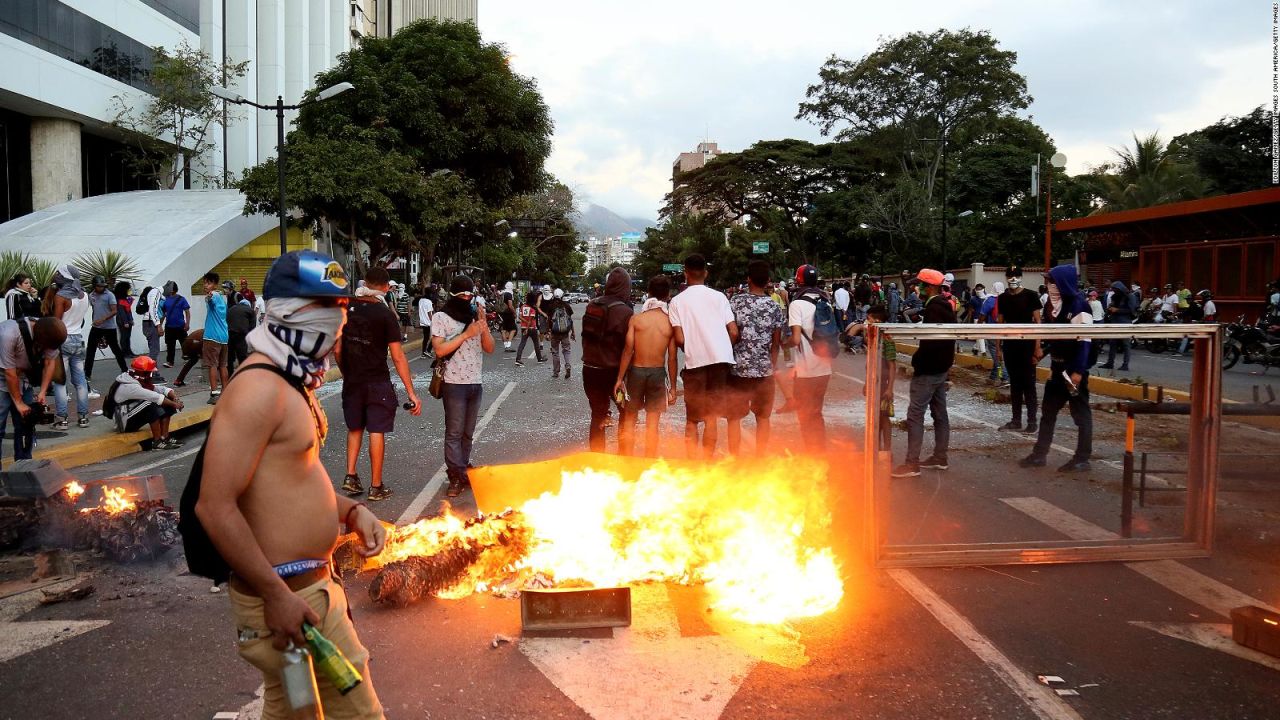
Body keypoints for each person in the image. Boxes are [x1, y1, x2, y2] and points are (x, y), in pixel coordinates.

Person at [195, 249, 386, 719]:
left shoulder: (292, 381)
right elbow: (214, 507)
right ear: (285, 310)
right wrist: (276, 597)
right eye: (326, 307)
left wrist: (350, 511)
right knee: (358, 713)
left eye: (342, 307)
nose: (338, 319)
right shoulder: (258, 388)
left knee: (293, 711)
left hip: (310, 591)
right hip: (286, 599)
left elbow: (294, 477)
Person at [337, 268, 422, 503]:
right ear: (385, 287)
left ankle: (351, 476)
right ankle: (376, 486)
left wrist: (347, 372)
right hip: (377, 381)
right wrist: (411, 393)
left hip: (353, 381)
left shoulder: (345, 307)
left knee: (355, 427)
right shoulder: (385, 315)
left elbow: (336, 349)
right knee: (376, 430)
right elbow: (397, 356)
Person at [1019, 264, 1095, 473]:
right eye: (1047, 282)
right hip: (1057, 368)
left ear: (1062, 283)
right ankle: (1039, 454)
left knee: (1080, 415)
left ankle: (1082, 459)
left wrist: (1078, 372)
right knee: (1048, 412)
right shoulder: (1051, 307)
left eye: (1051, 281)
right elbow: (1056, 336)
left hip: (1072, 372)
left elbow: (1085, 342)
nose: (1048, 286)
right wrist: (1043, 350)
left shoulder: (1080, 306)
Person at [669, 254, 738, 458]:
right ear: (706, 273)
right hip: (721, 363)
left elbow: (679, 338)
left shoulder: (677, 302)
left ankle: (692, 464)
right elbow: (733, 331)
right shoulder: (720, 297)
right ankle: (707, 463)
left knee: (692, 419)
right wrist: (722, 347)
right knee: (712, 417)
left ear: (685, 273)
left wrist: (694, 347)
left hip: (696, 365)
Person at [431, 275, 494, 498]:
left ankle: (463, 468)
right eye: (462, 295)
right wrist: (467, 334)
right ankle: (455, 476)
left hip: (475, 382)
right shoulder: (441, 317)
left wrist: (483, 326)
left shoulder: (474, 316)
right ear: (452, 294)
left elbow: (489, 348)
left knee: (468, 433)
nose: (466, 298)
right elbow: (439, 350)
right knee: (454, 432)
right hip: (454, 383)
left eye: (469, 295)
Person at [891, 268, 956, 478]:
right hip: (941, 369)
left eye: (919, 285)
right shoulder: (945, 305)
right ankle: (940, 457)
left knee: (915, 415)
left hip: (928, 370)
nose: (916, 288)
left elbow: (931, 343)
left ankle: (912, 464)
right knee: (940, 414)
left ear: (929, 287)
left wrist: (917, 362)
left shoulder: (934, 308)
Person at [613, 275, 677, 457]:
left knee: (630, 419)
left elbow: (627, 351)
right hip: (657, 373)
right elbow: (672, 358)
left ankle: (627, 459)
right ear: (667, 295)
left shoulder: (636, 320)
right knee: (653, 423)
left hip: (636, 373)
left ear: (649, 293)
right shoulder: (670, 322)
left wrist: (619, 379)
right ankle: (648, 461)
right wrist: (673, 387)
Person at [725, 261, 784, 456]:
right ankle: (760, 458)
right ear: (768, 281)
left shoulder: (735, 302)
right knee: (763, 418)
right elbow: (776, 343)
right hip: (764, 371)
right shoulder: (774, 307)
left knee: (734, 418)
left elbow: (728, 333)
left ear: (748, 279)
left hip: (738, 370)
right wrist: (771, 366)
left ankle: (734, 457)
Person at [0, 316, 65, 465]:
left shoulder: (50, 332)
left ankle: (24, 465)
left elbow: (49, 363)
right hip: (2, 377)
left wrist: (42, 391)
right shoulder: (9, 334)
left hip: (23, 380)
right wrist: (18, 402)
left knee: (26, 424)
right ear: (38, 338)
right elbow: (10, 374)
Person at [582, 268, 634, 452]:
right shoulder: (625, 311)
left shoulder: (592, 305)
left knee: (598, 414)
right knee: (626, 412)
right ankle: (624, 456)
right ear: (625, 287)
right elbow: (628, 347)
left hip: (590, 370)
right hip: (613, 372)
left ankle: (597, 461)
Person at [787, 264, 834, 451]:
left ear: (799, 281)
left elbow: (796, 338)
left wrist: (785, 342)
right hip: (824, 368)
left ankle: (811, 455)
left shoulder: (797, 304)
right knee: (816, 413)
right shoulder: (825, 301)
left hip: (805, 371)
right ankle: (819, 452)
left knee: (805, 415)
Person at [996, 268, 1042, 433]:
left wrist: (1037, 346)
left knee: (1029, 385)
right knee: (1015, 385)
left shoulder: (1031, 295)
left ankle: (1032, 422)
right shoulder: (1002, 298)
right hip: (1010, 345)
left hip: (1027, 345)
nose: (1013, 279)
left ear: (1021, 277)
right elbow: (1000, 324)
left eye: (1016, 276)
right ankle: (1016, 420)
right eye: (1010, 276)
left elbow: (1038, 322)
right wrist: (998, 347)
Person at [845, 305, 897, 451]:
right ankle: (876, 448)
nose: (866, 322)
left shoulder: (887, 339)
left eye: (869, 319)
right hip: (874, 382)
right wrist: (867, 382)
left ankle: (886, 451)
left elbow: (892, 366)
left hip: (882, 384)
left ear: (877, 320)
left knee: (884, 418)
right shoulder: (874, 337)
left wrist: (889, 389)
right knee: (875, 417)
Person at [105, 355, 184, 449]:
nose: (151, 375)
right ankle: (157, 441)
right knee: (150, 403)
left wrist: (174, 398)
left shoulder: (136, 378)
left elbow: (160, 389)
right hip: (122, 422)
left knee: (166, 400)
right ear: (143, 373)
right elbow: (155, 397)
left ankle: (165, 437)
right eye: (150, 373)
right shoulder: (130, 386)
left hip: (129, 413)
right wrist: (175, 404)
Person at [49, 266, 92, 430]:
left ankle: (62, 419)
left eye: (59, 274)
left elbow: (56, 321)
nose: (56, 275)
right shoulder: (84, 295)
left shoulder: (61, 297)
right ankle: (83, 417)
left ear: (66, 277)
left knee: (60, 381)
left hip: (63, 340)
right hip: (79, 339)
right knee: (80, 381)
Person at [85, 275, 128, 384]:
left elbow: (114, 311)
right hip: (96, 327)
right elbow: (95, 310)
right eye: (99, 286)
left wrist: (102, 319)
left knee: (116, 349)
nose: (101, 288)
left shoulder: (109, 295)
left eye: (102, 286)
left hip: (109, 327)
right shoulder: (91, 296)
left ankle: (125, 371)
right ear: (94, 286)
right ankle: (87, 374)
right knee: (90, 350)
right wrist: (95, 320)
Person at [200, 272, 230, 405]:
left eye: (209, 283)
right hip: (224, 337)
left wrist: (209, 296)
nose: (206, 285)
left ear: (215, 285)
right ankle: (226, 392)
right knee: (223, 365)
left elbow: (210, 300)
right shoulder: (222, 299)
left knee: (212, 365)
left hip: (212, 337)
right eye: (205, 282)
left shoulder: (214, 295)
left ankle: (214, 393)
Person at [1099, 280, 1137, 370]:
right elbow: (1112, 306)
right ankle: (1110, 363)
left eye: (1116, 289)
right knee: (1112, 343)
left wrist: (1118, 310)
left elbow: (1132, 311)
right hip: (1115, 321)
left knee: (1126, 344)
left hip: (1125, 322)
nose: (1114, 291)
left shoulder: (1130, 296)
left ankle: (1125, 365)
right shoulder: (1115, 296)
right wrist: (1110, 308)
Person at [543, 288, 576, 379]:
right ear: (562, 296)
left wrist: (547, 332)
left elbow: (548, 320)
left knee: (555, 352)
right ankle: (568, 365)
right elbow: (570, 320)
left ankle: (556, 372)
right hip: (565, 332)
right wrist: (573, 332)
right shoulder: (566, 306)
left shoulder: (551, 306)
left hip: (554, 333)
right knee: (566, 350)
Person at [1173, 289, 1216, 356]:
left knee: (1186, 335)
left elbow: (1206, 316)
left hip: (1204, 324)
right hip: (1205, 323)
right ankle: (1186, 348)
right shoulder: (1204, 304)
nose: (1201, 298)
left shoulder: (1204, 304)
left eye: (1202, 297)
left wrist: (1199, 321)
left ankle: (1180, 351)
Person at [161, 280, 191, 369]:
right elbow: (163, 313)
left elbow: (187, 312)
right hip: (169, 326)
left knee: (184, 343)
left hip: (180, 325)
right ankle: (170, 361)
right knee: (170, 345)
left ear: (173, 290)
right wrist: (160, 325)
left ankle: (187, 358)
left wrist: (187, 323)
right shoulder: (165, 299)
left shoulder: (182, 299)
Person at [514, 285, 546, 366]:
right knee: (536, 343)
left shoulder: (523, 306)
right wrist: (527, 327)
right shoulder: (533, 308)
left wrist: (525, 322)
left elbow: (520, 317)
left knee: (522, 343)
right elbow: (531, 320)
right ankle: (539, 358)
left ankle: (518, 359)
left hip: (523, 327)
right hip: (531, 328)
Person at [227, 289, 256, 373]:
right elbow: (252, 327)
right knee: (242, 357)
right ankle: (243, 376)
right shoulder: (250, 310)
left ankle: (230, 376)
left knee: (230, 357)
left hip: (229, 334)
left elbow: (227, 320)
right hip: (241, 335)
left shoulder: (231, 309)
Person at [136, 283, 164, 365]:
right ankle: (151, 370)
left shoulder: (144, 300)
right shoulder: (154, 300)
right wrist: (159, 326)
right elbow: (160, 313)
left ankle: (152, 369)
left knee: (152, 347)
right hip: (152, 323)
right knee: (154, 349)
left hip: (145, 323)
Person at [113, 281, 135, 360]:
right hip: (122, 321)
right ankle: (124, 352)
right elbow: (121, 313)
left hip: (127, 321)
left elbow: (129, 311)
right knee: (124, 336)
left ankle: (129, 351)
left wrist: (131, 319)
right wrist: (126, 322)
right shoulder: (119, 301)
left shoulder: (125, 299)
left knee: (128, 337)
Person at [417, 287, 435, 358]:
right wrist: (433, 320)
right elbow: (429, 313)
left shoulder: (421, 300)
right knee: (435, 336)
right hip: (428, 322)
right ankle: (428, 350)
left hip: (422, 321)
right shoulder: (429, 302)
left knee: (426, 338)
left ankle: (423, 352)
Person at [499, 281, 517, 351]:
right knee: (513, 329)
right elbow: (510, 305)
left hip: (503, 312)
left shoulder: (503, 293)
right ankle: (508, 345)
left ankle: (505, 345)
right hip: (509, 313)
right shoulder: (509, 294)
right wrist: (514, 312)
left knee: (504, 329)